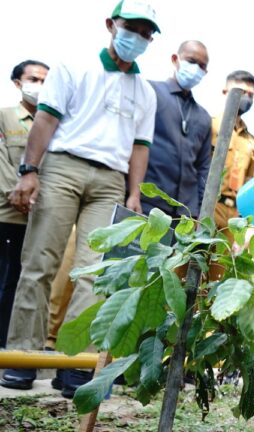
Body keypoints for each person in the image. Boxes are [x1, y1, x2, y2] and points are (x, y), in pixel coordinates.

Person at [0, 0, 159, 398]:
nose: (137, 38)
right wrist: (30, 170)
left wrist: (135, 193)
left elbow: (140, 147)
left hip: (110, 180)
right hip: (63, 166)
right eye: (131, 28)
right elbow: (46, 119)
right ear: (111, 24)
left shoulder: (145, 91)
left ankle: (76, 364)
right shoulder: (74, 67)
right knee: (40, 261)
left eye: (145, 32)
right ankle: (22, 356)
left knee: (95, 273)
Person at [0, 60, 49, 347]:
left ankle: (17, 346)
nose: (39, 86)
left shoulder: (54, 123)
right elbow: (4, 163)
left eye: (45, 81)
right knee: (5, 281)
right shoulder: (5, 117)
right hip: (8, 214)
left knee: (26, 282)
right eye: (34, 79)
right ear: (18, 83)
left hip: (41, 217)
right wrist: (16, 194)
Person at [141, 40, 211, 218]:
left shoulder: (203, 117)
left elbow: (203, 168)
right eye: (191, 61)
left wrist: (201, 212)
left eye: (202, 66)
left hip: (184, 214)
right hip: (147, 203)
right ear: (175, 59)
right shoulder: (151, 92)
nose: (196, 69)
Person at [211, 70, 254, 238]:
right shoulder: (210, 125)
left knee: (222, 263)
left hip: (233, 215)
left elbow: (248, 181)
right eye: (241, 91)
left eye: (251, 95)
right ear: (225, 92)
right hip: (209, 205)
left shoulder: (251, 142)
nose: (246, 97)